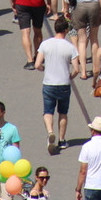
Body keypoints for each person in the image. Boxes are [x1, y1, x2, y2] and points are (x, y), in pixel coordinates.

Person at [37, 15, 78, 154]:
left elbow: (37, 64)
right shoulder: (70, 47)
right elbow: (76, 69)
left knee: (48, 111)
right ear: (66, 30)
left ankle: (50, 132)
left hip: (49, 83)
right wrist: (70, 76)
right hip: (64, 84)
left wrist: (44, 69)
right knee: (63, 112)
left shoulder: (45, 44)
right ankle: (61, 139)